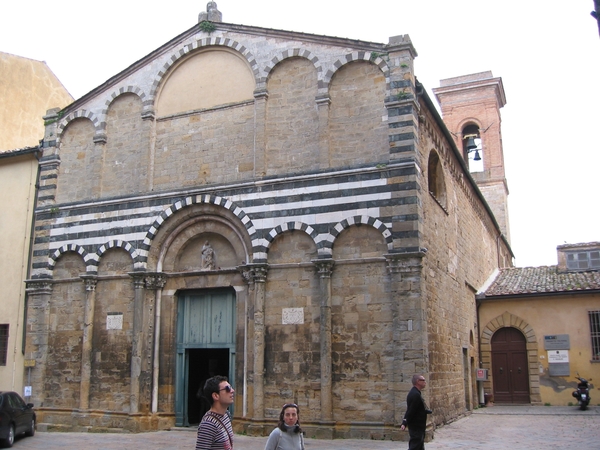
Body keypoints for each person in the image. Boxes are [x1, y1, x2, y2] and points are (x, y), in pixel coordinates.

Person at [195, 375, 235, 450]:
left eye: (231, 387)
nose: (232, 390)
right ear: (216, 396)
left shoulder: (226, 415)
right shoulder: (208, 425)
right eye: (227, 389)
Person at [400, 374, 431, 450]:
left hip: (419, 426)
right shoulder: (415, 394)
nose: (425, 382)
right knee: (415, 446)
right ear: (418, 382)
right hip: (416, 426)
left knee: (419, 446)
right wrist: (404, 422)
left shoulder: (416, 392)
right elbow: (411, 410)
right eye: (423, 380)